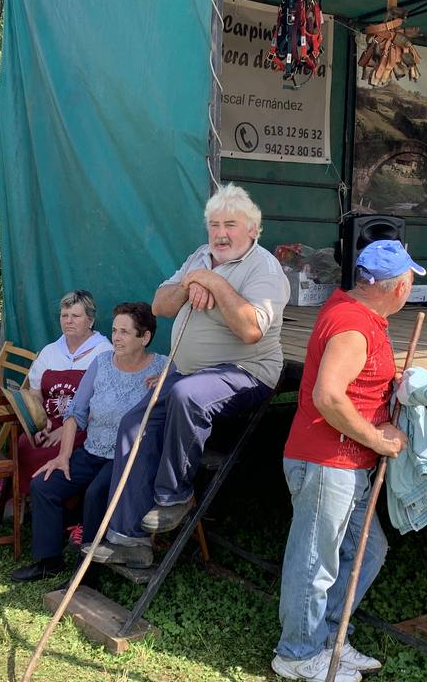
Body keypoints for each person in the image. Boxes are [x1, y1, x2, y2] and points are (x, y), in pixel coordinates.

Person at [89, 184, 289, 567]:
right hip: (190, 372)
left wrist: (215, 283)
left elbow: (250, 330)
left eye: (231, 224)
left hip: (246, 373)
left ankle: (174, 493)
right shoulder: (201, 255)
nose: (220, 233)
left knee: (188, 395)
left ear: (253, 229)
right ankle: (127, 538)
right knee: (134, 424)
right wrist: (191, 281)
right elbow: (159, 305)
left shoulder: (265, 269)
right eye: (214, 225)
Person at [272, 240, 417, 682]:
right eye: (410, 280)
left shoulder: (361, 314)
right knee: (316, 560)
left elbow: (357, 385)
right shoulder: (353, 326)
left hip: (348, 461)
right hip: (327, 460)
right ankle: (296, 653)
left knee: (368, 550)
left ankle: (329, 638)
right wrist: (378, 438)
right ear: (397, 287)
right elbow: (329, 396)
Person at [9, 303, 169, 581]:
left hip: (127, 457)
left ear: (144, 338)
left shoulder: (163, 367)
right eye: (114, 331)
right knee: (44, 485)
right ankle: (48, 561)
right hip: (93, 451)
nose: (116, 338)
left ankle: (88, 570)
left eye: (125, 332)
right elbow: (76, 413)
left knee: (95, 494)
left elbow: (180, 400)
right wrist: (63, 457)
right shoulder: (102, 363)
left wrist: (168, 383)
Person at [16, 291, 111, 496]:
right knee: (25, 444)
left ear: (91, 320)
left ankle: (62, 503)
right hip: (50, 422)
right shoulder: (49, 351)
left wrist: (66, 430)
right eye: (64, 315)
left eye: (75, 316)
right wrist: (40, 422)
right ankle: (32, 498)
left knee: (59, 449)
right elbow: (35, 394)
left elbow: (104, 404)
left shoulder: (104, 352)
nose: (68, 321)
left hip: (85, 426)